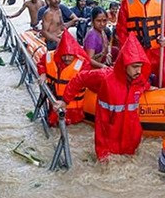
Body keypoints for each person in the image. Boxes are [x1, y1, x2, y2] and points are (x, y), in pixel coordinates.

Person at [57, 33, 151, 161]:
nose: (139, 71)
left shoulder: (139, 81)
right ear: (124, 64)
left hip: (130, 138)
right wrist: (65, 101)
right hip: (107, 139)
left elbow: (145, 85)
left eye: (140, 66)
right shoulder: (105, 77)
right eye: (135, 67)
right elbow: (80, 78)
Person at [37, 31, 91, 125]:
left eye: (70, 55)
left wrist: (65, 101)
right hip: (54, 106)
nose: (67, 58)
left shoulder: (83, 64)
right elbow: (41, 63)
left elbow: (79, 84)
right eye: (64, 55)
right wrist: (42, 73)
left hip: (74, 110)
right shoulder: (49, 56)